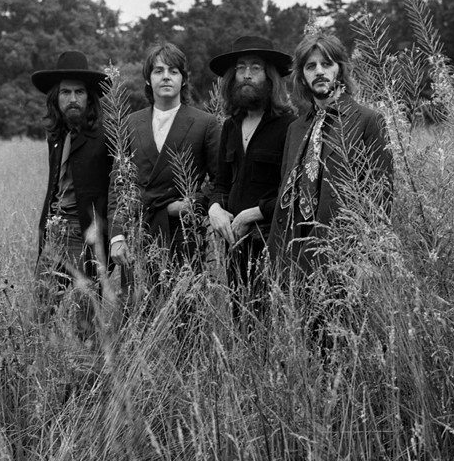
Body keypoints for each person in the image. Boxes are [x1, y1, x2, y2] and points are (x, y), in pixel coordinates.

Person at [268, 30, 393, 279]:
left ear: (340, 70)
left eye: (327, 64)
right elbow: (286, 190)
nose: (319, 71)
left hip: (342, 257)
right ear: (302, 77)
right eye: (311, 66)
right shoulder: (296, 128)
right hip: (291, 258)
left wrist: (366, 258)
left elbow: (381, 194)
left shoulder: (368, 121)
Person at [109, 42, 220, 268]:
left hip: (184, 233)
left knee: (184, 301)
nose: (166, 77)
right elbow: (118, 184)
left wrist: (192, 204)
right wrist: (117, 236)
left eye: (173, 71)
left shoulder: (205, 123)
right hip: (139, 231)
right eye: (158, 71)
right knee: (138, 301)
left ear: (184, 79)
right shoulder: (130, 123)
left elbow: (221, 179)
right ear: (149, 80)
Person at [207, 35, 296, 296]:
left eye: (255, 68)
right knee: (242, 321)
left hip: (272, 241)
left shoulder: (290, 126)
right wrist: (214, 208)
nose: (247, 75)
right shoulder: (230, 126)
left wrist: (255, 212)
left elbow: (294, 190)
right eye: (240, 68)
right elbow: (221, 183)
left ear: (270, 77)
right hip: (235, 244)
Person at [32, 49, 112, 291]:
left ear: (90, 97)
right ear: (56, 98)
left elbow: (117, 192)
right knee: (42, 314)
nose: (73, 98)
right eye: (66, 92)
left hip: (83, 233)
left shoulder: (105, 136)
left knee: (84, 318)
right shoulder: (56, 136)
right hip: (53, 231)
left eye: (80, 91)